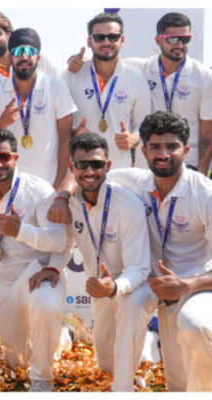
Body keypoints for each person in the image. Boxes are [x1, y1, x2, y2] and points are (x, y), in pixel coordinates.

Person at [51, 111, 212, 391]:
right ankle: (123, 389)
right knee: (127, 306)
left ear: (186, 150)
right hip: (146, 281)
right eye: (155, 147)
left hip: (191, 284)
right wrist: (63, 197)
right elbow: (87, 173)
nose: (163, 154)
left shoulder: (205, 193)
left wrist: (186, 285)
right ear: (144, 151)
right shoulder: (135, 180)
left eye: (172, 146)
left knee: (191, 337)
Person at [0, 128, 69, 392]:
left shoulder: (38, 190)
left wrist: (21, 231)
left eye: (4, 157)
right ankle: (66, 335)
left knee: (44, 306)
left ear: (16, 158)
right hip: (5, 282)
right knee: (16, 361)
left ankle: (42, 380)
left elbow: (60, 240)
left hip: (39, 274)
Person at [68, 12, 212, 174]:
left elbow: (208, 132)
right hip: (149, 164)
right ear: (158, 40)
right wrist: (76, 61)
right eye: (172, 39)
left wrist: (201, 173)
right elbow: (106, 60)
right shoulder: (141, 68)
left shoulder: (204, 76)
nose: (179, 45)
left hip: (186, 162)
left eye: (185, 39)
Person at [65, 132, 151, 391]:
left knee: (130, 315)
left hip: (132, 286)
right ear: (72, 167)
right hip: (99, 289)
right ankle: (146, 340)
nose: (89, 171)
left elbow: (140, 268)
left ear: (108, 166)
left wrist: (115, 287)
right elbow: (58, 243)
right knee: (105, 364)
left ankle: (146, 344)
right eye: (82, 164)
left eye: (97, 164)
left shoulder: (128, 204)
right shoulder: (70, 202)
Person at [0, 28, 76, 190]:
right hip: (12, 186)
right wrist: (2, 124)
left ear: (38, 57)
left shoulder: (56, 86)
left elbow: (66, 138)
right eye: (17, 51)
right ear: (10, 58)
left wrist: (59, 182)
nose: (24, 57)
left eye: (30, 51)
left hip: (49, 184)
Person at [62, 13, 151, 169]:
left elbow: (143, 126)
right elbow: (57, 125)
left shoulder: (136, 80)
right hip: (82, 169)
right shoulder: (70, 76)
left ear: (122, 40)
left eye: (113, 37)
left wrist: (133, 138)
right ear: (89, 41)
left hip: (120, 169)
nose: (106, 42)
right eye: (99, 38)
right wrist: (74, 133)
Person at [0, 11, 60, 140]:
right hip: (8, 150)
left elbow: (63, 100)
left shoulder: (41, 60)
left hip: (47, 148)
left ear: (9, 34)